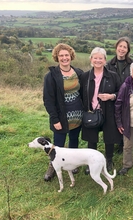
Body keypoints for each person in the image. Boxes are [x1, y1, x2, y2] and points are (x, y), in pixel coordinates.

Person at [43, 43, 83, 181]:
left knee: (73, 141)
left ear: (71, 56)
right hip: (61, 117)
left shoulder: (79, 72)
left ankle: (72, 164)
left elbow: (84, 92)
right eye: (61, 56)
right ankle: (53, 166)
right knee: (58, 145)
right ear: (57, 57)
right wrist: (55, 119)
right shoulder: (51, 76)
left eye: (67, 55)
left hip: (77, 115)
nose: (64, 58)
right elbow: (48, 100)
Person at [80, 47, 121, 174]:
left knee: (109, 137)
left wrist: (111, 96)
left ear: (105, 60)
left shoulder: (113, 76)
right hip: (91, 111)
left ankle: (108, 160)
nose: (98, 60)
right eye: (95, 58)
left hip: (108, 111)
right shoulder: (85, 76)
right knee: (91, 139)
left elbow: (120, 92)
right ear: (91, 59)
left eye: (100, 58)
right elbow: (81, 94)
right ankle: (91, 162)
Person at [106, 36, 133, 154]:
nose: (122, 49)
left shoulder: (132, 64)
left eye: (125, 47)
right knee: (114, 120)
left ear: (127, 50)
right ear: (116, 47)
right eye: (120, 46)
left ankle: (124, 145)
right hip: (113, 96)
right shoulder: (109, 64)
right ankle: (115, 143)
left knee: (127, 120)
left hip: (128, 96)